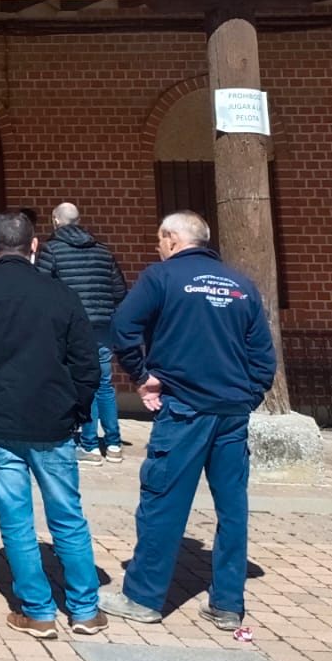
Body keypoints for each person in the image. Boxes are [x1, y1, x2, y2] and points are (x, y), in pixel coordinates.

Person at [100, 210, 279, 632]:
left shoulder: (160, 278)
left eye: (160, 241)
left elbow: (122, 328)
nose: (158, 248)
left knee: (163, 502)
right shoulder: (242, 286)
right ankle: (227, 603)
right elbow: (263, 360)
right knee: (233, 509)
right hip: (231, 413)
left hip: (183, 410)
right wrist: (246, 397)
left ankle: (143, 597)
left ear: (172, 239)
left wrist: (143, 378)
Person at [0, 210, 108, 639]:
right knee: (67, 515)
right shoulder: (61, 295)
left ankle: (37, 610)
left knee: (16, 519)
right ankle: (85, 609)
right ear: (34, 246)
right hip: (52, 420)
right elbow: (88, 366)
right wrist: (79, 410)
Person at [39, 203, 129, 462]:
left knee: (79, 381)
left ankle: (88, 444)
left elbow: (41, 288)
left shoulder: (51, 249)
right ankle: (113, 444)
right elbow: (119, 291)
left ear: (56, 221)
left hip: (69, 326)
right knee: (103, 383)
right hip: (102, 325)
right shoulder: (102, 250)